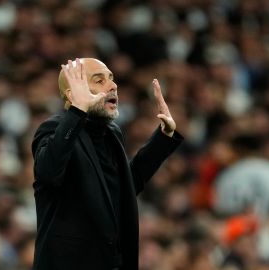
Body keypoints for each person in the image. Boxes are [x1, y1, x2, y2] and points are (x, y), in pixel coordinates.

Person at [31, 58, 183, 270]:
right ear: (72, 94)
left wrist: (164, 137)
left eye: (111, 78)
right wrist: (77, 111)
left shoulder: (112, 133)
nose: (113, 86)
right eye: (99, 80)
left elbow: (125, 187)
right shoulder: (53, 129)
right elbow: (48, 172)